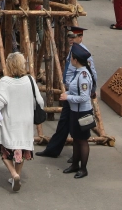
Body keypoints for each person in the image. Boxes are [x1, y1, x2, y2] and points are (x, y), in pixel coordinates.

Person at [36, 26, 91, 158]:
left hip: (76, 100)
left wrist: (91, 89)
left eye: (74, 37)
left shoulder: (83, 54)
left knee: (79, 134)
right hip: (70, 93)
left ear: (80, 37)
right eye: (69, 37)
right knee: (65, 124)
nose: (71, 40)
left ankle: (77, 159)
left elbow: (91, 73)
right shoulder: (73, 51)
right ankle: (54, 150)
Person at [0, 51, 43, 192]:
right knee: (20, 150)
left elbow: (0, 103)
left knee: (4, 150)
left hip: (10, 123)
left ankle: (13, 173)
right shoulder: (30, 80)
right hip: (26, 123)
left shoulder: (4, 82)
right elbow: (39, 101)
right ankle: (18, 175)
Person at [62, 44, 98, 178]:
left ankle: (83, 168)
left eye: (71, 57)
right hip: (75, 111)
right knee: (76, 139)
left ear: (76, 60)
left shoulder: (83, 75)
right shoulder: (79, 73)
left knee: (82, 140)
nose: (70, 59)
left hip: (82, 112)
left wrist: (68, 97)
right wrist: (67, 93)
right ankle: (75, 165)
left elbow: (84, 97)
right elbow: (75, 90)